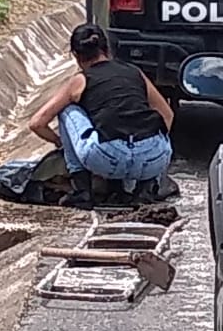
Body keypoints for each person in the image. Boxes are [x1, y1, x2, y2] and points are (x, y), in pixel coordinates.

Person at [28, 24, 174, 208]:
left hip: (107, 159)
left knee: (66, 110)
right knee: (150, 123)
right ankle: (145, 190)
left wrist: (61, 143)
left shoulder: (80, 80)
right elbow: (167, 115)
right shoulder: (134, 72)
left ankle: (82, 192)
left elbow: (37, 123)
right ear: (107, 50)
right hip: (154, 160)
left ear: (75, 55)